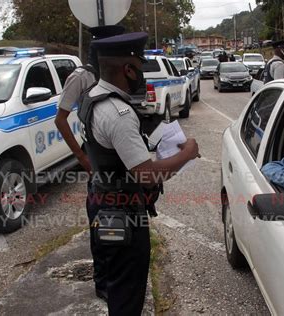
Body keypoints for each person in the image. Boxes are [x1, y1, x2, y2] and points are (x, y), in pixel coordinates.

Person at [79, 32, 200, 315]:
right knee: (127, 294)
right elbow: (147, 176)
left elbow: (107, 149)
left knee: (115, 282)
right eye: (140, 66)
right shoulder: (117, 113)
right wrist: (187, 153)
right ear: (128, 69)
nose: (142, 74)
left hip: (101, 201)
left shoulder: (92, 98)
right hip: (123, 214)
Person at [55, 25, 125, 172]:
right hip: (97, 150)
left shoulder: (116, 74)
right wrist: (81, 157)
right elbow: (60, 120)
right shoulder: (81, 77)